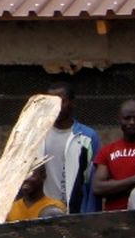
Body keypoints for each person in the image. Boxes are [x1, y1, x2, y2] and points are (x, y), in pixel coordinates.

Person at [42, 81, 100, 214]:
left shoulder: (87, 137)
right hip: (42, 211)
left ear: (72, 102)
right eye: (51, 102)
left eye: (61, 101)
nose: (56, 107)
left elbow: (91, 181)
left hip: (75, 212)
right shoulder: (38, 136)